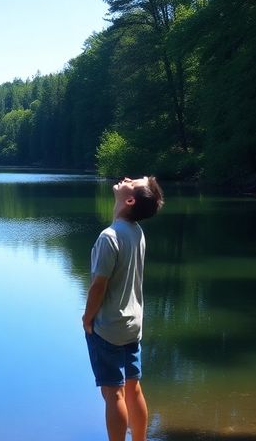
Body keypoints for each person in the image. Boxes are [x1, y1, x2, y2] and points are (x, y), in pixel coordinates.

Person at [82, 176, 164, 441]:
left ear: (129, 200)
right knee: (133, 388)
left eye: (133, 181)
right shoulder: (136, 232)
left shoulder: (109, 237)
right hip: (133, 325)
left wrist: (87, 318)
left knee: (113, 393)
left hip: (109, 327)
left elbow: (98, 286)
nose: (126, 179)